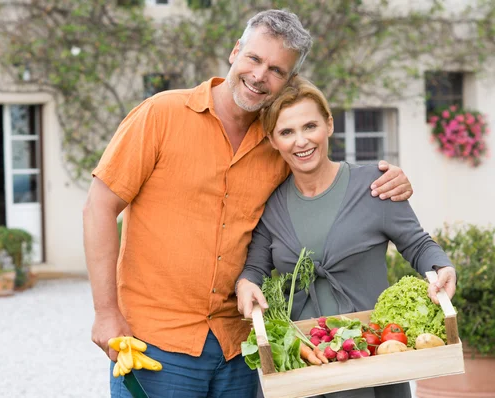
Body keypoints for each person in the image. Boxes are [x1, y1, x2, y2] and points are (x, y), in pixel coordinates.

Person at [83, 9, 414, 398]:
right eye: (254, 59)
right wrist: (106, 313)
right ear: (235, 51)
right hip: (156, 344)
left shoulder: (279, 141)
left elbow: (324, 185)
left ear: (287, 81)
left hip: (240, 348)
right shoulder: (160, 115)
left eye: (276, 69)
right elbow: (99, 207)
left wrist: (385, 179)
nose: (260, 75)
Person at [236, 77, 457, 398]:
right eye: (287, 132)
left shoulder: (375, 185)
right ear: (272, 140)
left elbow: (419, 245)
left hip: (370, 358)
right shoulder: (272, 205)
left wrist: (442, 268)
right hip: (302, 365)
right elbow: (255, 268)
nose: (301, 141)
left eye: (310, 126)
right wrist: (245, 284)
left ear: (329, 124)